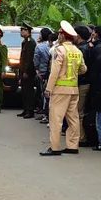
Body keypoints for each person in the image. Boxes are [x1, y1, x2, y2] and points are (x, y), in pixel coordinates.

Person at [40, 21, 87, 156]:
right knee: (73, 119)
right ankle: (72, 146)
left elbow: (55, 71)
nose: (58, 35)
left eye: (60, 33)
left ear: (63, 35)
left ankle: (55, 147)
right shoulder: (77, 51)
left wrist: (48, 88)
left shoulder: (60, 50)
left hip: (60, 90)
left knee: (56, 119)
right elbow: (83, 69)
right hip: (74, 89)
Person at [34, 28, 53, 121]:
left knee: (43, 93)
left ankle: (45, 114)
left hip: (42, 72)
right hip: (50, 71)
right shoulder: (53, 45)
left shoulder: (40, 47)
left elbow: (36, 60)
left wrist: (37, 69)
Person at [17, 24, 36, 118]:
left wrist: (27, 72)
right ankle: (25, 110)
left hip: (28, 71)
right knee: (24, 92)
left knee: (29, 92)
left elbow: (30, 59)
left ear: (28, 31)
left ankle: (30, 111)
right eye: (21, 30)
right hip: (23, 69)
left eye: (23, 30)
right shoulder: (24, 42)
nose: (21, 32)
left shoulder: (31, 42)